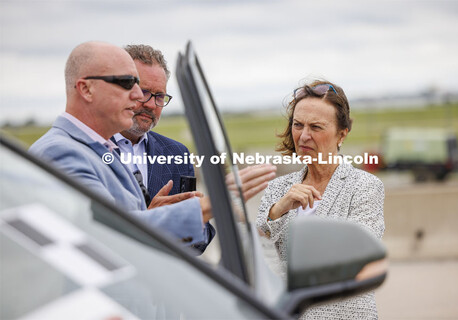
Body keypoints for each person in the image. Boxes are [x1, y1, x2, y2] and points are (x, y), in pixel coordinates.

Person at [29, 41, 276, 247]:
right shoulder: (59, 152)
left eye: (159, 96)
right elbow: (109, 235)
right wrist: (216, 202)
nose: (140, 98)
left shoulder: (108, 148)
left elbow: (188, 240)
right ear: (86, 89)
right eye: (127, 84)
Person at [256, 80, 385, 319]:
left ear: (342, 134)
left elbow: (356, 255)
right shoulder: (277, 189)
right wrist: (279, 209)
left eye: (316, 127)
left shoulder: (365, 186)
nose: (303, 136)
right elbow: (257, 254)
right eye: (298, 125)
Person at [112, 44, 214, 252]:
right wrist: (153, 219)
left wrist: (199, 217)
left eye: (160, 96)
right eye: (144, 92)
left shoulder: (177, 154)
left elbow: (198, 243)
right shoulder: (89, 150)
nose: (151, 105)